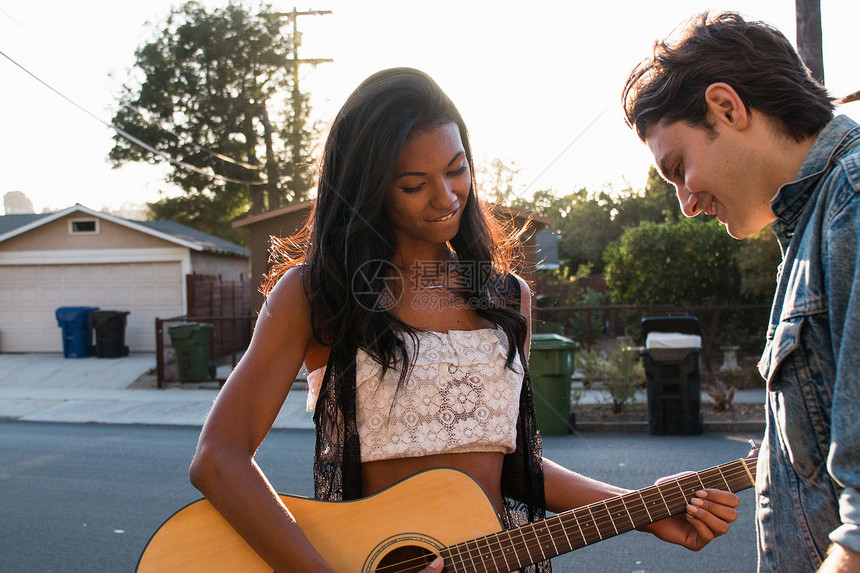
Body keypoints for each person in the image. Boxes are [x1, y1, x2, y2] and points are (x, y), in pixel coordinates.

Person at [190, 67, 739, 572]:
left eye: (457, 170)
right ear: (366, 189)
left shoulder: (507, 298)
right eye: (413, 184)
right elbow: (219, 457)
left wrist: (647, 508)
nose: (446, 196)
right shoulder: (317, 294)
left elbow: (518, 469)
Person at [622, 11, 860, 573]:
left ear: (727, 108)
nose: (685, 202)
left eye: (679, 167)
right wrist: (735, 474)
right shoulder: (814, 225)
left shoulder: (851, 202)